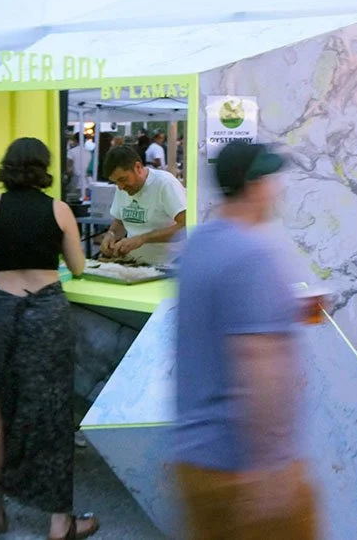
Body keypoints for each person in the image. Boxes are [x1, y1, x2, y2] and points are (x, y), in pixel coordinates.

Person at [175, 142, 317, 539]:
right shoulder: (251, 256)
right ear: (254, 186)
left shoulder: (196, 245)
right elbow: (259, 364)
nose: (277, 189)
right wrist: (271, 467)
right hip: (238, 466)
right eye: (271, 179)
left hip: (195, 457)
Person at [0, 137, 95, 540]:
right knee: (53, 415)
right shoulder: (58, 210)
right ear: (44, 166)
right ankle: (60, 522)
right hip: (46, 313)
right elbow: (76, 266)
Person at [100, 145, 186, 265]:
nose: (120, 187)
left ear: (138, 167)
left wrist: (143, 238)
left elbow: (186, 226)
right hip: (135, 264)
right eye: (115, 182)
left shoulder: (165, 184)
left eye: (123, 179)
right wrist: (111, 235)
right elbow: (119, 221)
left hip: (168, 264)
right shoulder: (122, 188)